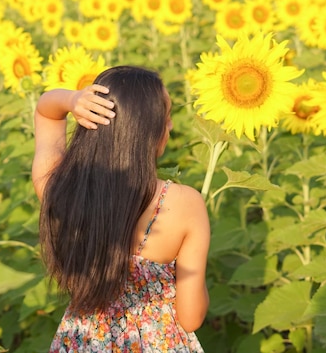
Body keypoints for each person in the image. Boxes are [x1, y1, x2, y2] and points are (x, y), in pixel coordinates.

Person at [32, 65, 210, 352]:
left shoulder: (61, 192)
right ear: (146, 133)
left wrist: (72, 100)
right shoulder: (185, 204)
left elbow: (45, 114)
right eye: (166, 118)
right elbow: (191, 318)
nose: (171, 126)